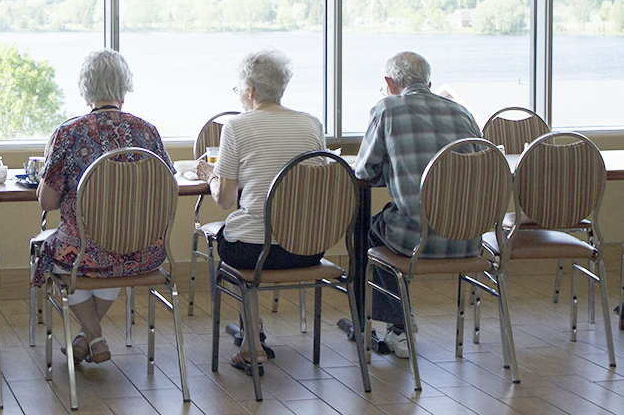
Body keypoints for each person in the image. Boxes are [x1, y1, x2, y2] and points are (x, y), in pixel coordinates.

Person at [31, 49, 174, 365]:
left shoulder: (68, 133)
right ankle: (89, 338)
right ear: (124, 88)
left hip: (84, 253)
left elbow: (47, 201)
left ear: (85, 90)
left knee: (62, 253)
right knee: (113, 250)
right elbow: (169, 188)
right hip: (143, 251)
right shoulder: (147, 132)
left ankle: (92, 337)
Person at [194, 48, 326, 375]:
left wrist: (211, 176)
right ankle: (253, 337)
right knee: (249, 236)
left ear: (251, 91)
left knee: (233, 243)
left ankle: (252, 343)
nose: (239, 97)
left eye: (239, 90)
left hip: (255, 251)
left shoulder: (237, 127)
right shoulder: (312, 124)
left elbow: (224, 200)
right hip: (307, 248)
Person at [354, 51, 483, 359]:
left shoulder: (386, 109)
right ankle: (394, 325)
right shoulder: (462, 112)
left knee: (369, 232)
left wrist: (393, 167)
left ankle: (395, 327)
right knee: (386, 224)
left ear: (389, 83)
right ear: (429, 82)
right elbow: (482, 163)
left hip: (418, 241)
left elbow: (364, 173)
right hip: (471, 240)